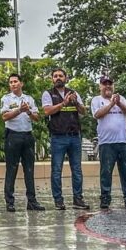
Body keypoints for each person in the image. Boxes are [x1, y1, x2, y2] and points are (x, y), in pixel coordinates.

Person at [90, 75, 126, 210]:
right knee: (106, 173)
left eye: (110, 84)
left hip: (122, 141)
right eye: (104, 84)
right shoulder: (97, 100)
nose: (107, 86)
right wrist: (112, 104)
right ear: (100, 86)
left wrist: (119, 103)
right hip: (106, 143)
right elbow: (97, 114)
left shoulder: (121, 99)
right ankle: (105, 199)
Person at [41, 68, 89, 211]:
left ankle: (78, 199)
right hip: (58, 137)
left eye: (60, 76)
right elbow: (47, 111)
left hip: (74, 136)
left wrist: (75, 103)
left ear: (66, 78)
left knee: (77, 169)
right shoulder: (48, 94)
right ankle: (58, 200)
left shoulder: (73, 93)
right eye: (55, 76)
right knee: (56, 170)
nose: (58, 78)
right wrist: (63, 103)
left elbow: (84, 112)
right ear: (52, 79)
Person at [0, 74, 45, 213]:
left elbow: (37, 118)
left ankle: (32, 201)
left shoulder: (29, 99)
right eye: (11, 82)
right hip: (13, 135)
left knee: (29, 170)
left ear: (21, 83)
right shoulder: (6, 99)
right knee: (11, 169)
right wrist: (19, 110)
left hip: (27, 136)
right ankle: (10, 202)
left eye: (15, 81)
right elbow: (4, 116)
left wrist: (29, 111)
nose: (13, 84)